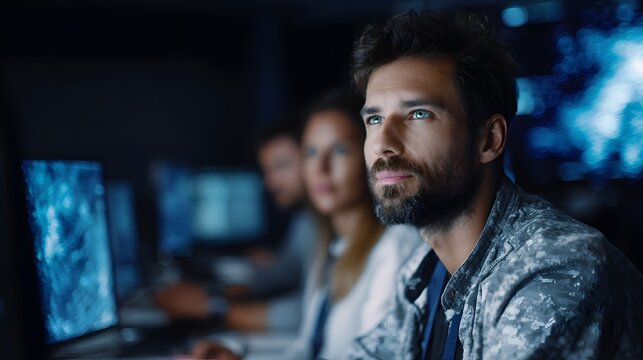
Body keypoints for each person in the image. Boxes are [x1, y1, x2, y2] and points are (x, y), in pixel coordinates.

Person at [346, 11, 643, 359]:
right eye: (375, 119)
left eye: (418, 114)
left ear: (488, 140)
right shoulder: (425, 272)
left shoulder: (556, 268)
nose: (384, 143)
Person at [191, 90, 423, 360]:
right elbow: (307, 350)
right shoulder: (331, 247)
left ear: (369, 155)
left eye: (339, 150)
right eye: (312, 152)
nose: (321, 168)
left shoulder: (395, 246)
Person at [155, 116, 317, 332]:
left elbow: (311, 314)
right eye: (266, 170)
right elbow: (287, 270)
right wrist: (217, 292)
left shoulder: (324, 222)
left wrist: (212, 307)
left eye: (281, 166)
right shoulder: (306, 220)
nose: (269, 183)